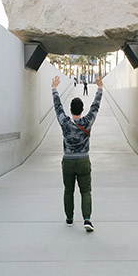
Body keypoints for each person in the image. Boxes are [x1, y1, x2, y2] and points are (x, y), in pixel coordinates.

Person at [51, 75, 103, 232]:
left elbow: (58, 107)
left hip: (67, 161)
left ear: (71, 109)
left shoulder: (64, 122)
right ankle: (87, 219)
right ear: (81, 109)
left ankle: (69, 218)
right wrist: (100, 88)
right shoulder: (87, 122)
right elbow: (95, 107)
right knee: (85, 190)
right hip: (83, 161)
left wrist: (54, 89)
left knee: (68, 190)